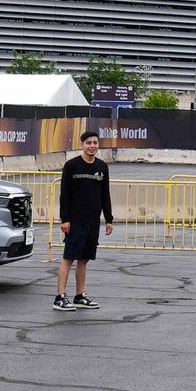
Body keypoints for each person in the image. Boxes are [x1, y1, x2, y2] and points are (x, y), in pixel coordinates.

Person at [55, 130, 114, 311]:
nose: (92, 146)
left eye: (95, 143)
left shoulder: (102, 167)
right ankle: (60, 297)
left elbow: (105, 194)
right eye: (88, 143)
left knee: (84, 259)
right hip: (75, 221)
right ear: (82, 144)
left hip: (93, 221)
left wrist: (108, 218)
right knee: (69, 258)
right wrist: (65, 219)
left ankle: (80, 295)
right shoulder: (71, 166)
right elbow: (64, 194)